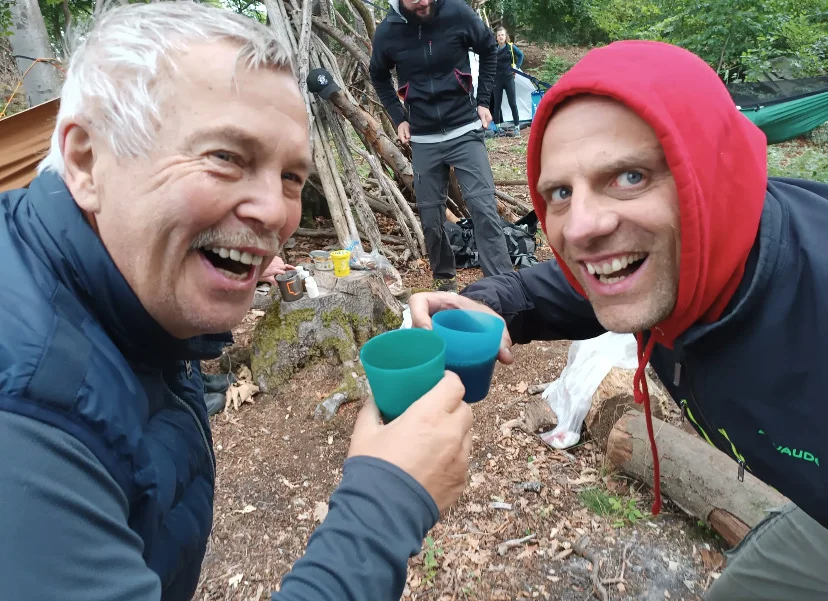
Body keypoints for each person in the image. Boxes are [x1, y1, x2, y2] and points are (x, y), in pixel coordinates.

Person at [0, 3, 473, 601]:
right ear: (87, 161)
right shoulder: (25, 413)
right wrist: (384, 507)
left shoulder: (127, 305)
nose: (277, 212)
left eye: (291, 178)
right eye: (226, 157)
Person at [410, 40, 828, 601]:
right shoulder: (679, 258)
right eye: (560, 191)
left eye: (630, 176)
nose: (580, 226)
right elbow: (559, 288)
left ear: (709, 174)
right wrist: (490, 303)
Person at [369, 0, 514, 291]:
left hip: (465, 128)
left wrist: (484, 101)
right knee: (431, 218)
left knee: (483, 208)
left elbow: (489, 49)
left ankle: (503, 284)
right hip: (423, 138)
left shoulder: (457, 12)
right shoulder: (388, 31)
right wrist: (399, 118)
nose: (423, 1)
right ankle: (445, 280)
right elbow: (378, 75)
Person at [492, 26, 523, 136]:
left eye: (502, 35)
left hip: (509, 78)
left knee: (512, 103)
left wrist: (516, 68)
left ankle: (517, 127)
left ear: (506, 37)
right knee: (497, 104)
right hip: (497, 79)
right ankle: (498, 129)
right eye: (499, 35)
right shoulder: (493, 48)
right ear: (496, 38)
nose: (500, 37)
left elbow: (520, 55)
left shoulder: (510, 47)